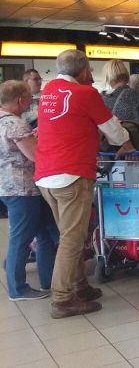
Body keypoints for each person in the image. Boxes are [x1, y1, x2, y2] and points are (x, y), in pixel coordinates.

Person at [35, 49, 135, 318]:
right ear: (84, 71)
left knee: (70, 234)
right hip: (72, 174)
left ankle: (79, 285)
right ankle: (62, 298)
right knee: (72, 238)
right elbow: (114, 133)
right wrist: (126, 136)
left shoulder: (48, 91)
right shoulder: (86, 93)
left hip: (46, 176)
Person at [0, 80, 59, 301]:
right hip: (23, 188)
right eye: (27, 99)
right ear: (19, 100)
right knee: (21, 238)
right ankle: (18, 288)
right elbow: (36, 156)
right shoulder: (16, 124)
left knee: (44, 233)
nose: (29, 103)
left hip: (7, 186)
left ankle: (49, 281)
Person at [101, 60, 139, 136]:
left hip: (110, 146)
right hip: (137, 146)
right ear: (127, 75)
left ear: (108, 79)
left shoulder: (100, 100)